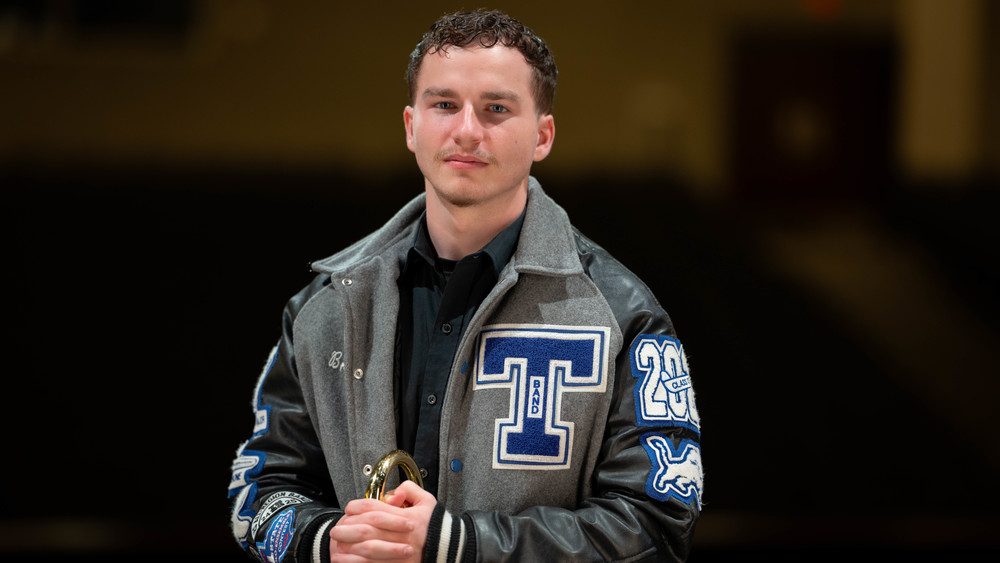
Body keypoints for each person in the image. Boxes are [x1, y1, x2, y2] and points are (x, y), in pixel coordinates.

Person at [228, 9, 703, 563]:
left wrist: (459, 544)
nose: (467, 130)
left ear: (543, 135)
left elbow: (658, 523)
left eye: (496, 109)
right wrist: (322, 541)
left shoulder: (620, 315)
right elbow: (257, 495)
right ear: (411, 126)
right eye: (444, 104)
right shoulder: (325, 308)